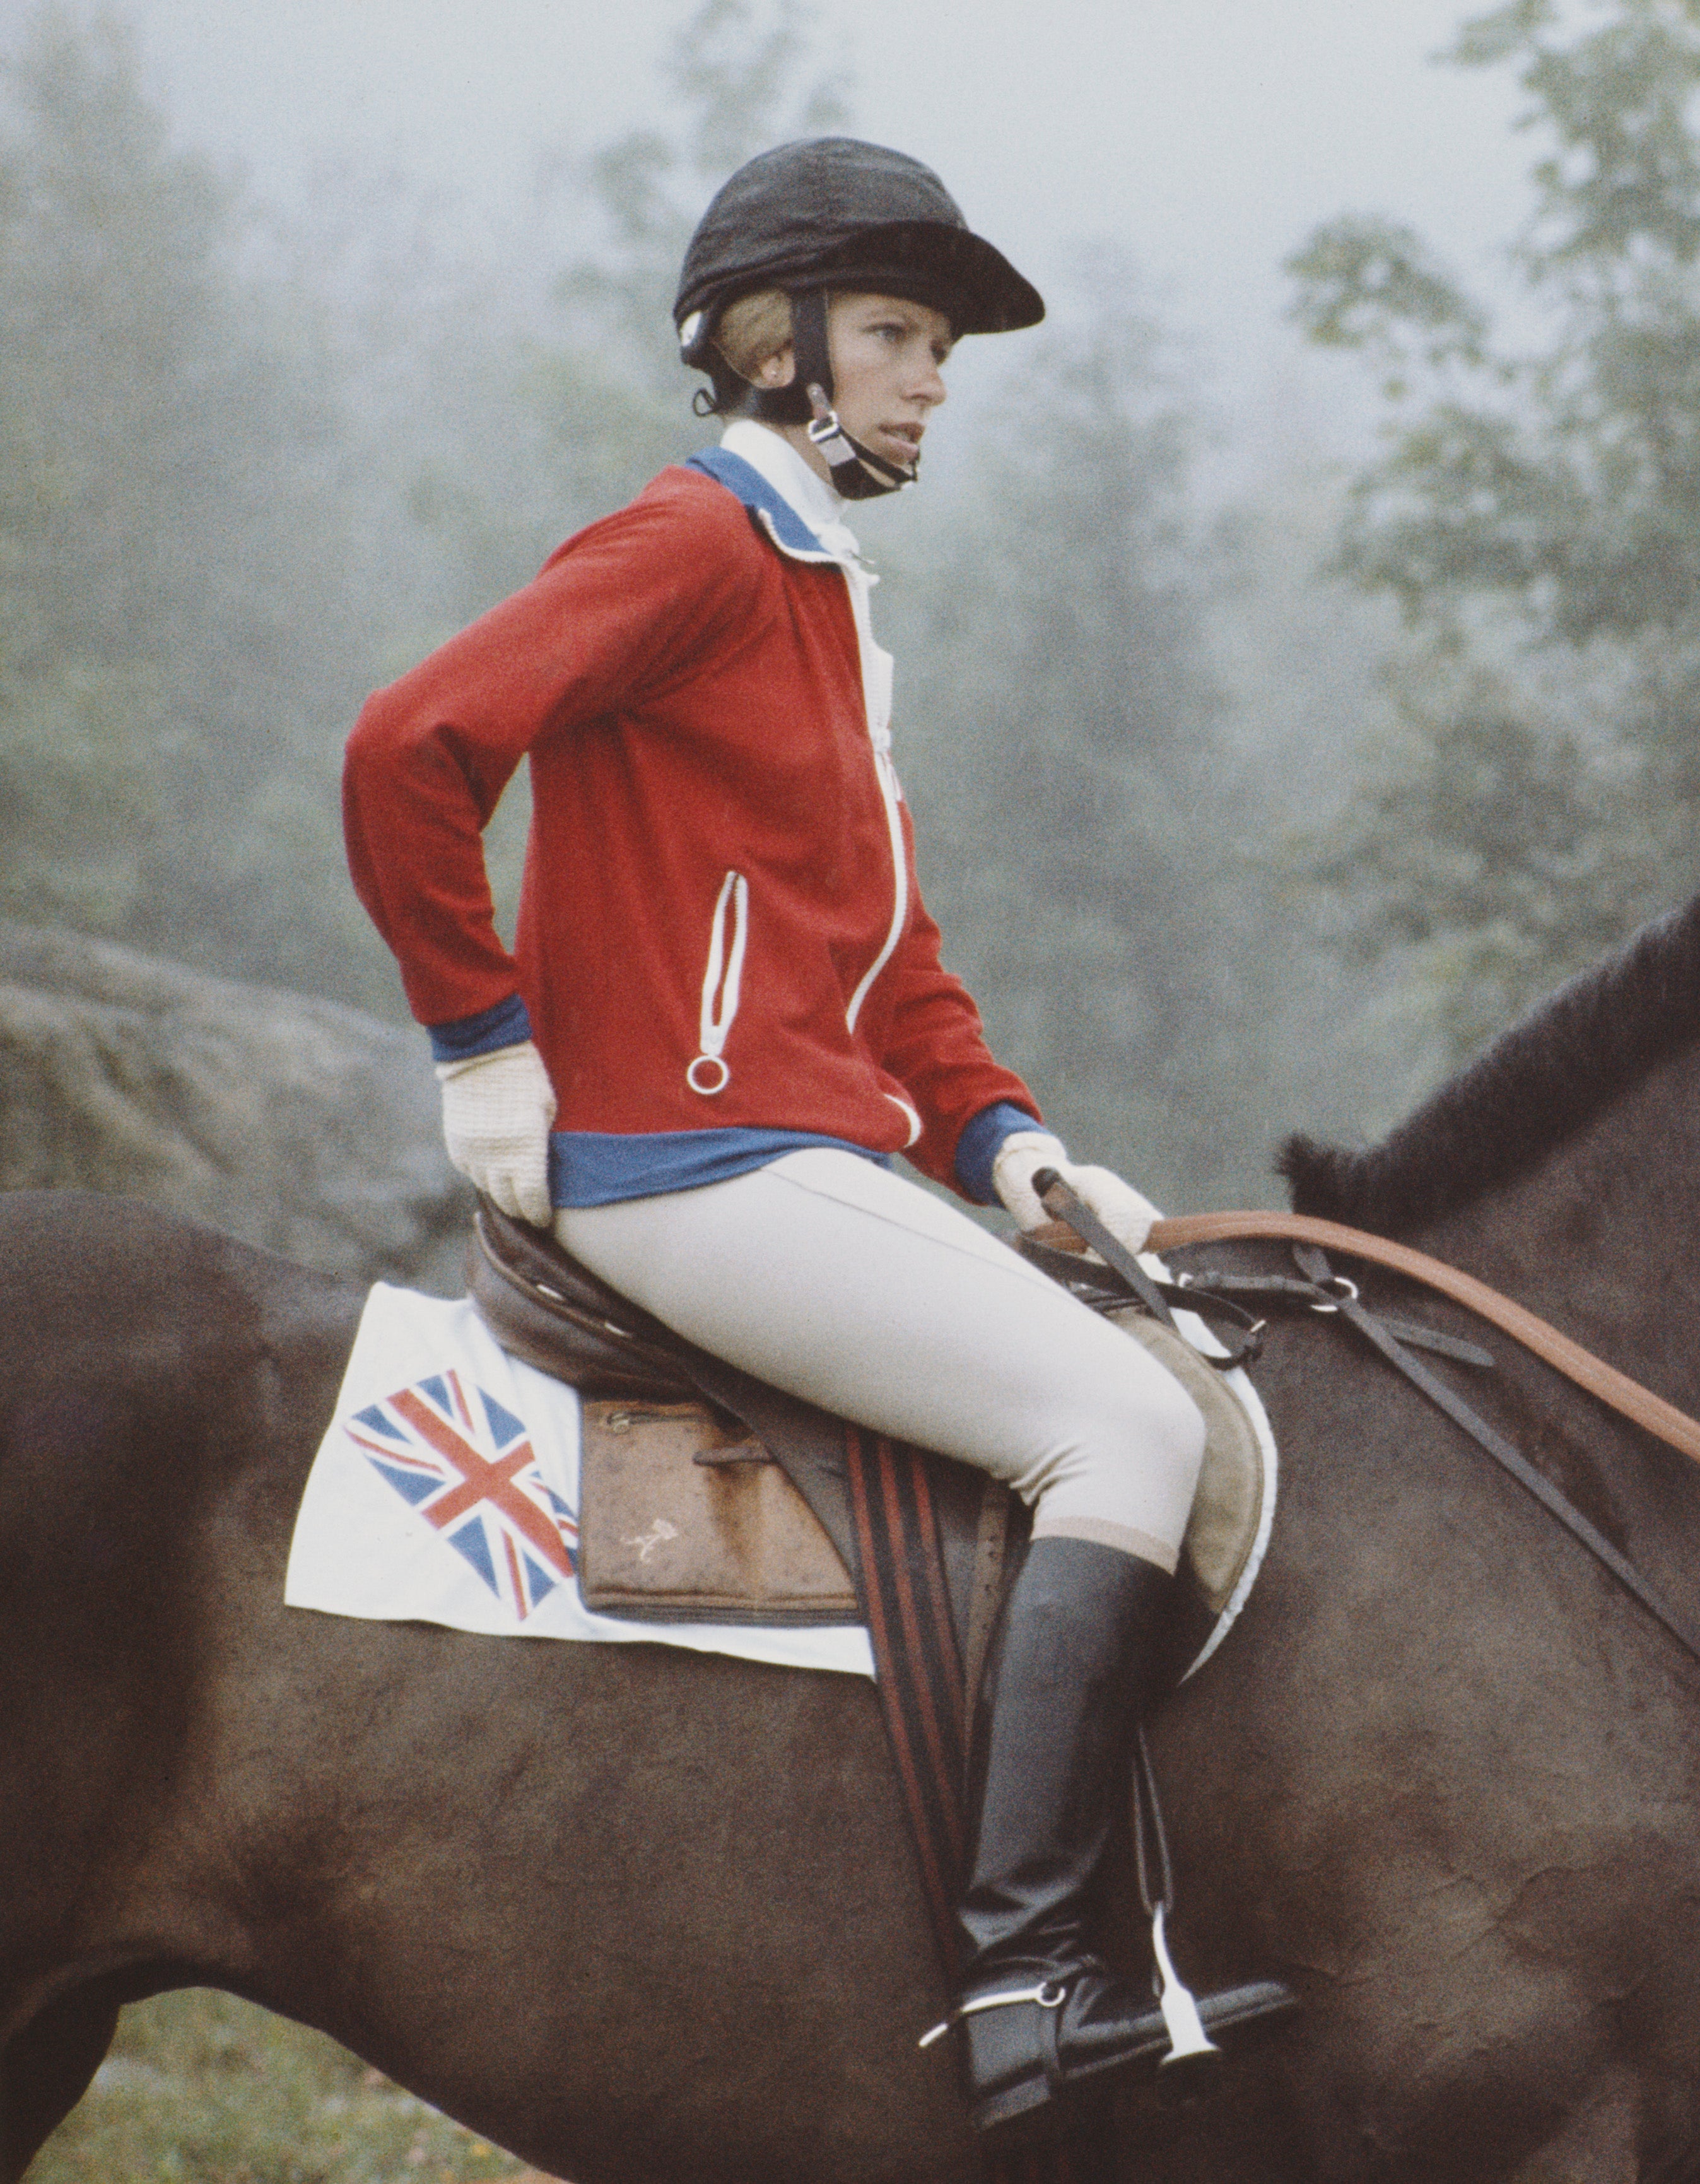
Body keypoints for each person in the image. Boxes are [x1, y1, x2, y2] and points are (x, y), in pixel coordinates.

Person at [339, 137, 1286, 2145]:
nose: (933, 376)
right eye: (899, 333)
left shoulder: (820, 596)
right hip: (692, 1172)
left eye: (939, 344)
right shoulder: (689, 546)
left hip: (817, 1156)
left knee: (1168, 1374)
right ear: (770, 347)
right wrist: (485, 1042)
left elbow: (895, 967)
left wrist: (1013, 1141)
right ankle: (1029, 1969)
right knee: (1128, 1432)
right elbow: (407, 748)